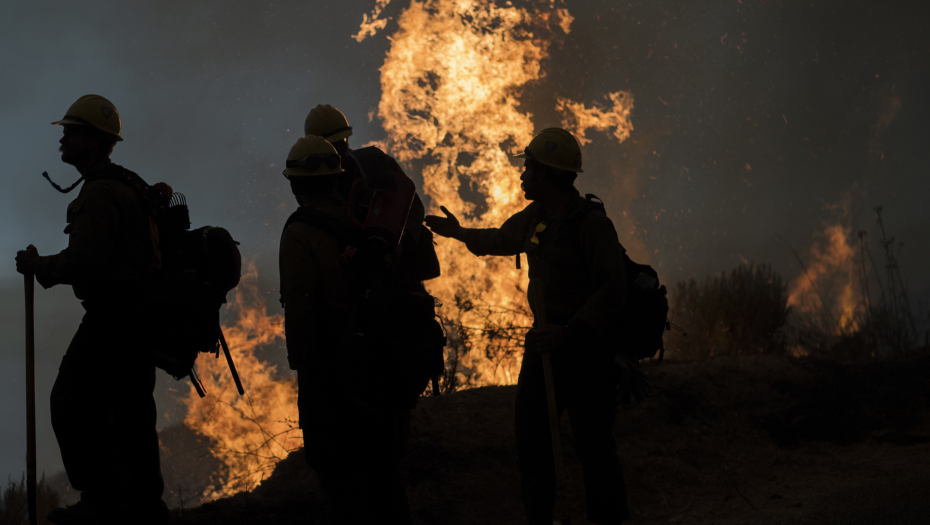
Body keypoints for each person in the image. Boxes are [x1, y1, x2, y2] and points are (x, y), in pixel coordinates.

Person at [424, 128, 631, 524]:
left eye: (529, 168)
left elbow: (612, 290)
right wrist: (459, 233)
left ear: (548, 175)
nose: (522, 175)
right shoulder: (536, 218)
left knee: (594, 449)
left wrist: (569, 331)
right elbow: (501, 239)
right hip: (544, 351)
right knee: (533, 443)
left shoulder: (590, 224)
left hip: (587, 353)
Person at [14, 95, 168, 525]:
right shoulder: (126, 184)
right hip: (140, 319)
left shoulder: (101, 192)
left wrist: (38, 266)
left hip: (113, 318)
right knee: (130, 410)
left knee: (71, 401)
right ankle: (143, 506)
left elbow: (86, 260)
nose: (63, 139)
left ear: (95, 141)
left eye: (72, 132)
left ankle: (102, 501)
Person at [278, 135, 412, 524]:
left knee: (342, 482)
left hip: (330, 373)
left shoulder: (300, 231)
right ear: (337, 178)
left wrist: (303, 367)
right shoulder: (368, 220)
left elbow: (300, 310)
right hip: (377, 367)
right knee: (383, 477)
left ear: (295, 183)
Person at [304, 104, 440, 282]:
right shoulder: (313, 183)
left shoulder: (374, 165)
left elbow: (411, 208)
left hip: (392, 272)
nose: (340, 149)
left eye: (342, 141)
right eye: (333, 145)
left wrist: (394, 244)